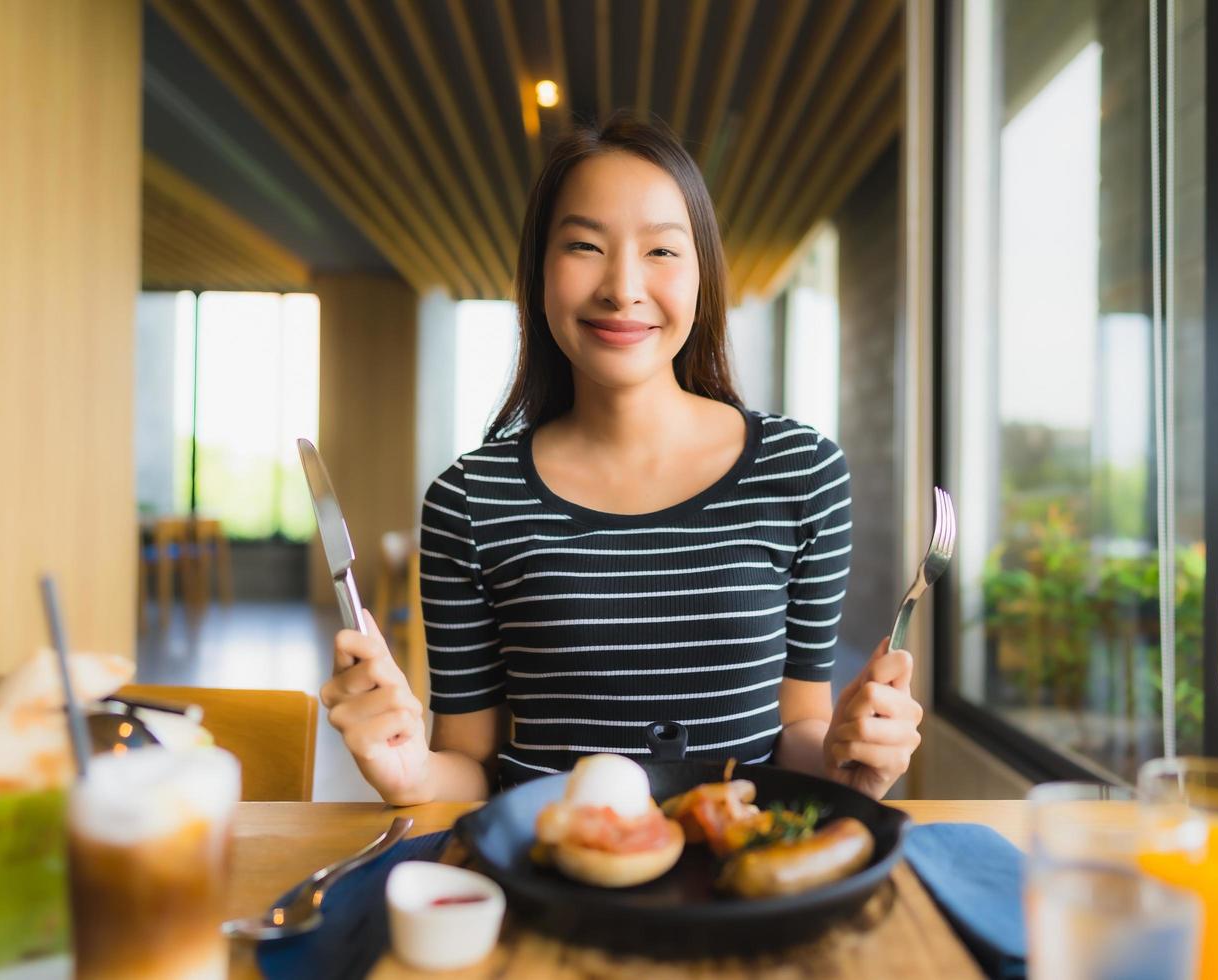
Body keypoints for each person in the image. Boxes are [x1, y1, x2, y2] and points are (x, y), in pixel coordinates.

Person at [321, 112, 923, 804]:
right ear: (539, 272)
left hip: (738, 876)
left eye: (662, 252)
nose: (622, 287)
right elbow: (470, 763)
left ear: (703, 277)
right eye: (584, 245)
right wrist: (410, 771)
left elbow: (799, 725)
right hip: (549, 881)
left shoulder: (801, 472)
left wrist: (848, 759)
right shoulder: (470, 499)